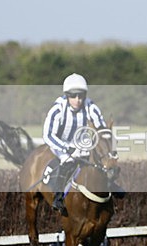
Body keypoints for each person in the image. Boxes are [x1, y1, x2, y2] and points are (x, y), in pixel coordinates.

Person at [43, 73, 107, 216]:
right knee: (68, 160)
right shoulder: (57, 109)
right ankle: (58, 197)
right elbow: (47, 135)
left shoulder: (91, 106)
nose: (77, 100)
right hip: (61, 145)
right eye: (73, 96)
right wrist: (66, 148)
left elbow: (101, 127)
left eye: (81, 96)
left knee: (99, 163)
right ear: (67, 95)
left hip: (82, 145)